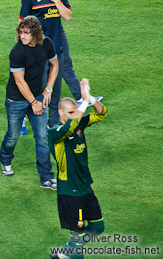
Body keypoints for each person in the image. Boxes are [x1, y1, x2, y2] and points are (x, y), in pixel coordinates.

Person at [48, 79, 107, 259]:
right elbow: (72, 125)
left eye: (75, 112)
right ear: (60, 112)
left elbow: (101, 113)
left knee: (98, 228)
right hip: (70, 193)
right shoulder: (55, 132)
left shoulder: (78, 123)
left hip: (85, 187)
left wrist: (90, 99)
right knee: (78, 244)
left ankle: (65, 252)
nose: (75, 115)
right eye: (70, 112)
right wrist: (83, 103)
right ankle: (70, 251)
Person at [0, 16, 58, 189]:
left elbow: (55, 65)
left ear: (36, 33)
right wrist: (34, 102)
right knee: (13, 135)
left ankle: (46, 177)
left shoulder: (46, 44)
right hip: (16, 100)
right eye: (21, 32)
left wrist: (48, 89)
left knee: (42, 137)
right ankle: (5, 159)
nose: (22, 36)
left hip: (38, 96)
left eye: (26, 33)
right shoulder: (17, 52)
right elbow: (19, 81)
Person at [21, 0, 85, 109]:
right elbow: (24, 18)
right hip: (39, 37)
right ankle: (26, 111)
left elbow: (67, 14)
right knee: (35, 78)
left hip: (56, 30)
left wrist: (56, 3)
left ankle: (79, 96)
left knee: (63, 64)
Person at [20, 0, 72, 128]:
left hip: (57, 50)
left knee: (55, 92)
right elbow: (23, 26)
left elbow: (68, 16)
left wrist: (56, 0)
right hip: (38, 53)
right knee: (39, 91)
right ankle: (35, 123)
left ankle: (52, 126)